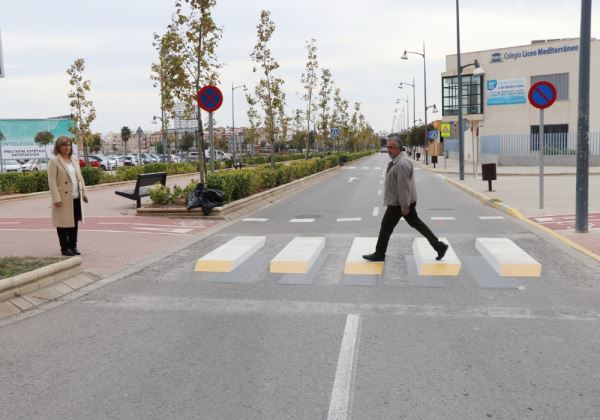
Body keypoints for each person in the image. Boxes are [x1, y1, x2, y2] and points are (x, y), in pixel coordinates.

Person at [363, 137, 448, 262]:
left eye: (391, 148)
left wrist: (404, 206)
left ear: (398, 148)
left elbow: (403, 188)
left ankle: (379, 253)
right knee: (417, 224)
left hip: (399, 204)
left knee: (386, 227)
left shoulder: (402, 164)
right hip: (401, 203)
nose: (388, 150)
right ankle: (439, 246)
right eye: (387, 147)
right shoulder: (396, 161)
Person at [47, 136, 88, 256]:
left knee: (74, 223)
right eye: (64, 145)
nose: (67, 147)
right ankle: (64, 247)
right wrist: (56, 198)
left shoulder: (74, 159)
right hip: (62, 198)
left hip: (75, 196)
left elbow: (80, 178)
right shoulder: (54, 161)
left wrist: (84, 193)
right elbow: (52, 181)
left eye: (69, 145)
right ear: (58, 147)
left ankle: (73, 246)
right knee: (62, 224)